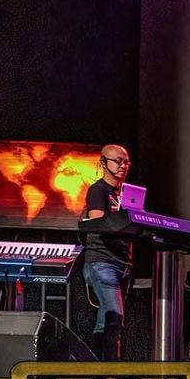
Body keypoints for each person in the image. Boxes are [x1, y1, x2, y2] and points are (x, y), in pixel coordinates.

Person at [81, 144, 133, 359]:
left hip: (122, 263)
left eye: (126, 162)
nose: (123, 165)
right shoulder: (98, 190)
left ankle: (99, 370)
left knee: (107, 321)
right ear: (103, 163)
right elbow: (98, 223)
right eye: (118, 161)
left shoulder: (126, 194)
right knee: (114, 317)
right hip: (102, 262)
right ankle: (110, 370)